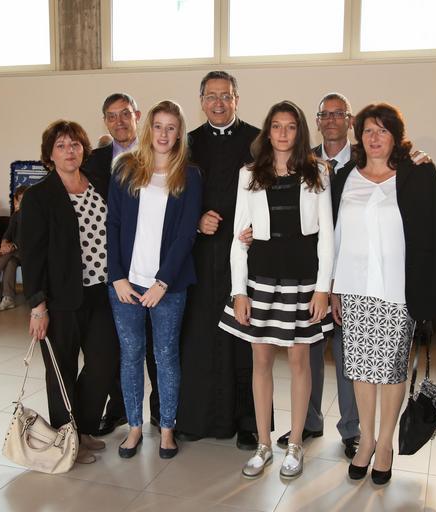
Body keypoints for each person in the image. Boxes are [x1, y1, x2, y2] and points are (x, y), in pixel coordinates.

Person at [334, 103, 436, 485]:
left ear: (396, 136)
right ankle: (366, 440)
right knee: (359, 368)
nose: (374, 138)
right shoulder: (345, 177)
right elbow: (334, 235)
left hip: (397, 290)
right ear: (359, 136)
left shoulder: (416, 173)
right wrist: (333, 287)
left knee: (389, 369)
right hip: (354, 288)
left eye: (383, 130)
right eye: (368, 130)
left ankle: (385, 444)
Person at [219, 100, 334, 479]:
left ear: (300, 132)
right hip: (261, 280)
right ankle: (264, 445)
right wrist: (239, 291)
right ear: (267, 132)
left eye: (291, 126)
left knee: (300, 363)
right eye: (277, 126)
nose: (283, 133)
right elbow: (239, 236)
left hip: (303, 280)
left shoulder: (318, 171)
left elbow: (327, 236)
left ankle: (296, 443)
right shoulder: (249, 174)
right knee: (261, 362)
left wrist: (323, 289)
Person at [106, 100, 202, 460]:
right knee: (130, 356)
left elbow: (186, 234)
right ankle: (134, 427)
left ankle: (166, 430)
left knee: (166, 356)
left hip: (169, 287)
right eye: (158, 126)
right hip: (126, 285)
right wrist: (116, 276)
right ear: (149, 129)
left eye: (171, 127)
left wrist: (162, 283)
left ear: (179, 133)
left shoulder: (189, 175)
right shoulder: (125, 168)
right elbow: (113, 224)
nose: (163, 134)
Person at [22, 119, 119, 464]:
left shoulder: (98, 184)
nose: (69, 151)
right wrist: (38, 306)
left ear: (84, 149)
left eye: (75, 144)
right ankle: (67, 440)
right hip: (60, 300)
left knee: (104, 364)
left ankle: (85, 428)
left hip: (102, 294)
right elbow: (31, 255)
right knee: (61, 372)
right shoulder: (38, 196)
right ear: (49, 154)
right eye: (61, 146)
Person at [176, 71, 262, 450]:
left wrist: (260, 226)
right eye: (211, 96)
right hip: (201, 255)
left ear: (237, 99)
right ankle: (196, 419)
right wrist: (196, 220)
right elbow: (173, 197)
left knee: (243, 339)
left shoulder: (257, 141)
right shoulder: (187, 143)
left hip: (245, 255)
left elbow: (275, 191)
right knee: (199, 336)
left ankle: (248, 422)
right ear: (201, 101)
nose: (218, 103)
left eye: (225, 95)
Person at [275, 93, 360, 458]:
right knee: (306, 353)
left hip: (353, 270)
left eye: (339, 114)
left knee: (346, 353)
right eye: (325, 114)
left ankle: (352, 430)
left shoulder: (366, 159)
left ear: (350, 120)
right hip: (310, 274)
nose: (331, 120)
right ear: (317, 121)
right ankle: (308, 421)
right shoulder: (303, 161)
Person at [83, 93, 160, 437]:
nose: (119, 122)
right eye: (112, 116)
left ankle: (161, 413)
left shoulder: (158, 153)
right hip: (111, 265)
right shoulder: (94, 161)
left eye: (125, 114)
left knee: (157, 347)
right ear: (105, 121)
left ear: (137, 116)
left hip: (153, 265)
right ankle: (119, 411)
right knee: (119, 346)